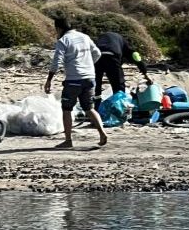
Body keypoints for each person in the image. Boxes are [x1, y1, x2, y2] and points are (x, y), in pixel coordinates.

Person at [44, 15, 108, 150]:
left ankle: (68, 140)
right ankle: (102, 134)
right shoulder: (84, 37)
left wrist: (49, 79)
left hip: (73, 80)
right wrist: (88, 66)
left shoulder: (63, 40)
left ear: (59, 28)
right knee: (89, 108)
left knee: (67, 109)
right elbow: (97, 53)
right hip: (90, 78)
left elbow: (56, 62)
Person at [93, 32, 153, 108]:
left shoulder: (102, 38)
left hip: (97, 57)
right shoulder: (124, 43)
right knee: (118, 85)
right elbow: (135, 56)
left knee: (96, 84)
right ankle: (119, 108)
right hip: (112, 56)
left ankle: (96, 107)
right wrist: (145, 72)